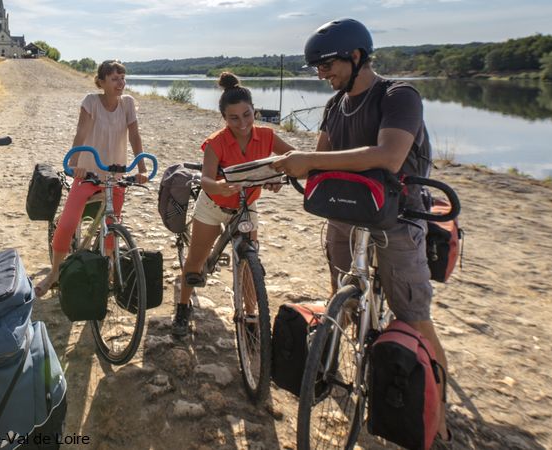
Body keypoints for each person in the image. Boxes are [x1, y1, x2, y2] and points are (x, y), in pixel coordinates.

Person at [269, 18, 449, 442]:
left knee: (413, 317)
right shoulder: (335, 106)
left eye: (326, 65)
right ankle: (344, 360)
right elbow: (320, 160)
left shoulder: (398, 96)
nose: (321, 74)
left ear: (355, 56)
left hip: (398, 217)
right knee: (343, 298)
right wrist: (288, 168)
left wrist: (310, 162)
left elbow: (389, 156)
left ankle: (439, 419)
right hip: (346, 213)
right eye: (316, 67)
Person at [171, 72, 295, 338]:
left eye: (247, 115)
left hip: (246, 206)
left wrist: (279, 175)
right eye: (234, 118)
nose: (243, 123)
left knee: (250, 263)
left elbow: (293, 156)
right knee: (196, 260)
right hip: (213, 205)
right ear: (224, 118)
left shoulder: (267, 136)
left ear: (255, 111)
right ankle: (182, 307)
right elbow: (206, 178)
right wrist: (216, 186)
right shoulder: (216, 143)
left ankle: (250, 315)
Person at [33, 60, 148, 297]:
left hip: (115, 175)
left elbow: (135, 136)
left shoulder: (127, 103)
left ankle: (108, 270)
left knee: (112, 226)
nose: (121, 83)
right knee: (68, 223)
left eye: (123, 78)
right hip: (89, 174)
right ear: (102, 82)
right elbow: (81, 132)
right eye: (114, 79)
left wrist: (142, 168)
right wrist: (75, 163)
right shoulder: (91, 102)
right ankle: (55, 272)